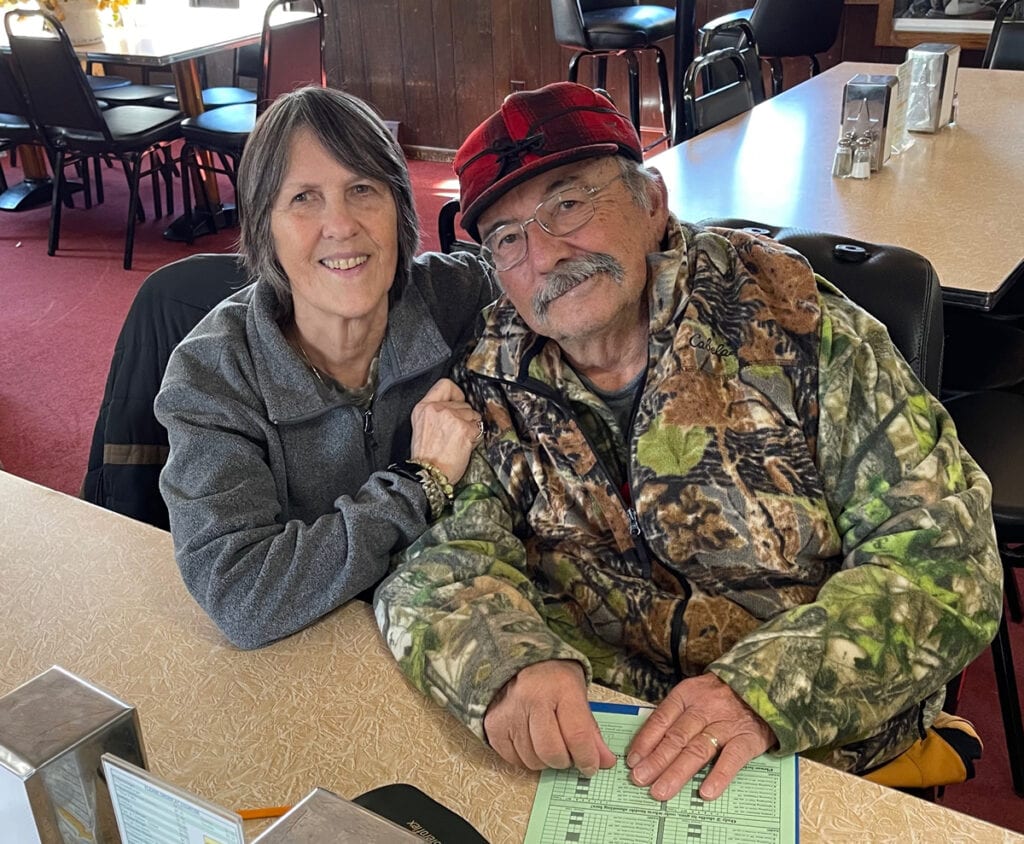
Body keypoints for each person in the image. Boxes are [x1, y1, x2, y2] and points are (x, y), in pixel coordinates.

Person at [375, 82, 1002, 802]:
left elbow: (947, 561)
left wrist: (760, 694)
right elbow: (440, 558)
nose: (544, 255)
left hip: (815, 747)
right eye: (508, 239)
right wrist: (510, 666)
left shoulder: (800, 328)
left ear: (650, 203)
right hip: (605, 750)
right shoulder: (490, 374)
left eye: (568, 204)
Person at [155, 86, 495, 649]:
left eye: (363, 189)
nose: (340, 225)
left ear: (399, 210)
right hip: (314, 656)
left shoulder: (460, 296)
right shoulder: (213, 374)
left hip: (456, 629)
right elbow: (243, 595)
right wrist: (420, 481)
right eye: (304, 198)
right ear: (265, 227)